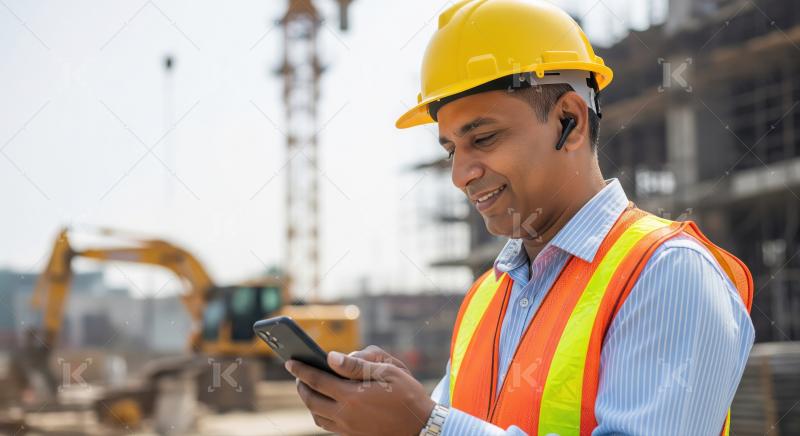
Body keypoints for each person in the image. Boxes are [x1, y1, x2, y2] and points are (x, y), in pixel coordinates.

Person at [285, 1, 755, 435]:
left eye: (483, 138)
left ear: (569, 120)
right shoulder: (485, 299)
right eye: (450, 149)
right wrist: (400, 408)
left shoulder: (669, 274)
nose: (460, 175)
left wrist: (426, 426)